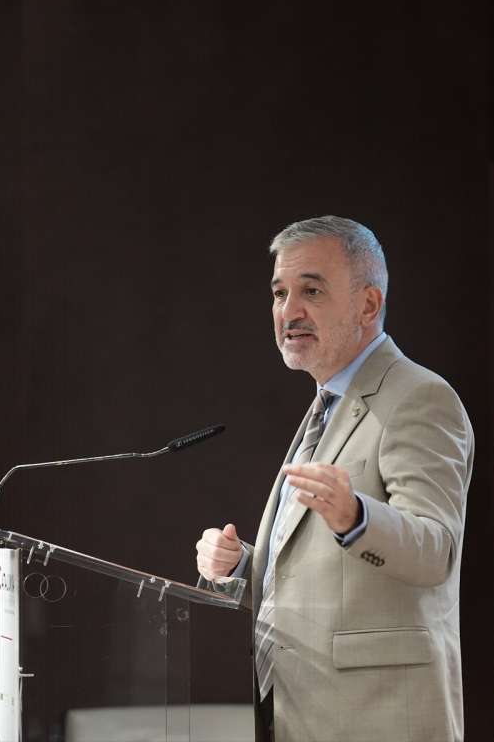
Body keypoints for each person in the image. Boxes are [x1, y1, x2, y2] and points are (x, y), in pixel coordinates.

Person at [194, 216, 474, 742]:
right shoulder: (328, 404)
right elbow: (319, 580)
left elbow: (436, 551)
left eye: (312, 291)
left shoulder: (419, 397)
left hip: (377, 720)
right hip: (301, 714)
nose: (288, 311)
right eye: (279, 293)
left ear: (368, 305)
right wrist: (241, 568)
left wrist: (356, 516)